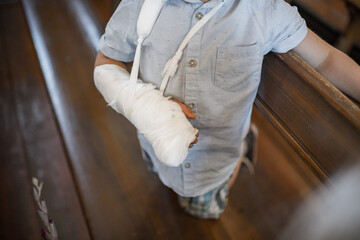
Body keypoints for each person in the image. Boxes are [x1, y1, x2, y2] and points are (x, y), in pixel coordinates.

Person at [94, 0, 360, 219]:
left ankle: (243, 147)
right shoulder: (140, 6)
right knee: (160, 172)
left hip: (214, 162)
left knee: (201, 210)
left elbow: (326, 59)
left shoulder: (264, 10)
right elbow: (106, 60)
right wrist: (149, 108)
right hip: (154, 140)